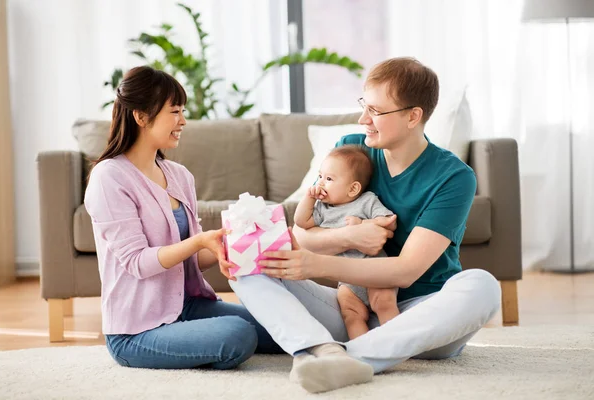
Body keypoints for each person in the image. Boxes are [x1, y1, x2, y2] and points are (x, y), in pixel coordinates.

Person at [228, 57, 501, 393]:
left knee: (483, 285)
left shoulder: (454, 178)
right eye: (363, 106)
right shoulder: (351, 151)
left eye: (375, 111)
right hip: (350, 308)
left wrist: (319, 261)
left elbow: (405, 271)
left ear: (413, 116)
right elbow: (302, 233)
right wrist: (351, 235)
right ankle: (320, 350)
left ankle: (350, 358)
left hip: (421, 321)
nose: (363, 119)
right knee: (244, 259)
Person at [84, 66, 281, 370]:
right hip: (137, 329)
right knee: (237, 334)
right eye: (174, 111)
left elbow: (193, 259)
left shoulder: (179, 176)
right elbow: (138, 262)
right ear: (141, 116)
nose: (183, 121)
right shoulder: (109, 177)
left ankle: (195, 342)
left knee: (277, 320)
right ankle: (191, 346)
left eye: (182, 111)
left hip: (188, 306)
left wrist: (228, 241)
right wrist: (199, 240)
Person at [293, 145, 400, 340]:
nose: (321, 183)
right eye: (320, 176)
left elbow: (389, 223)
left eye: (329, 179)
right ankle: (362, 348)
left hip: (375, 270)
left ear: (353, 189)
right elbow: (301, 222)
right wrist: (308, 197)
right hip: (348, 280)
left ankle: (396, 344)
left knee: (384, 303)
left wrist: (363, 223)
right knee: (350, 314)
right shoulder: (322, 208)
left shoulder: (366, 201)